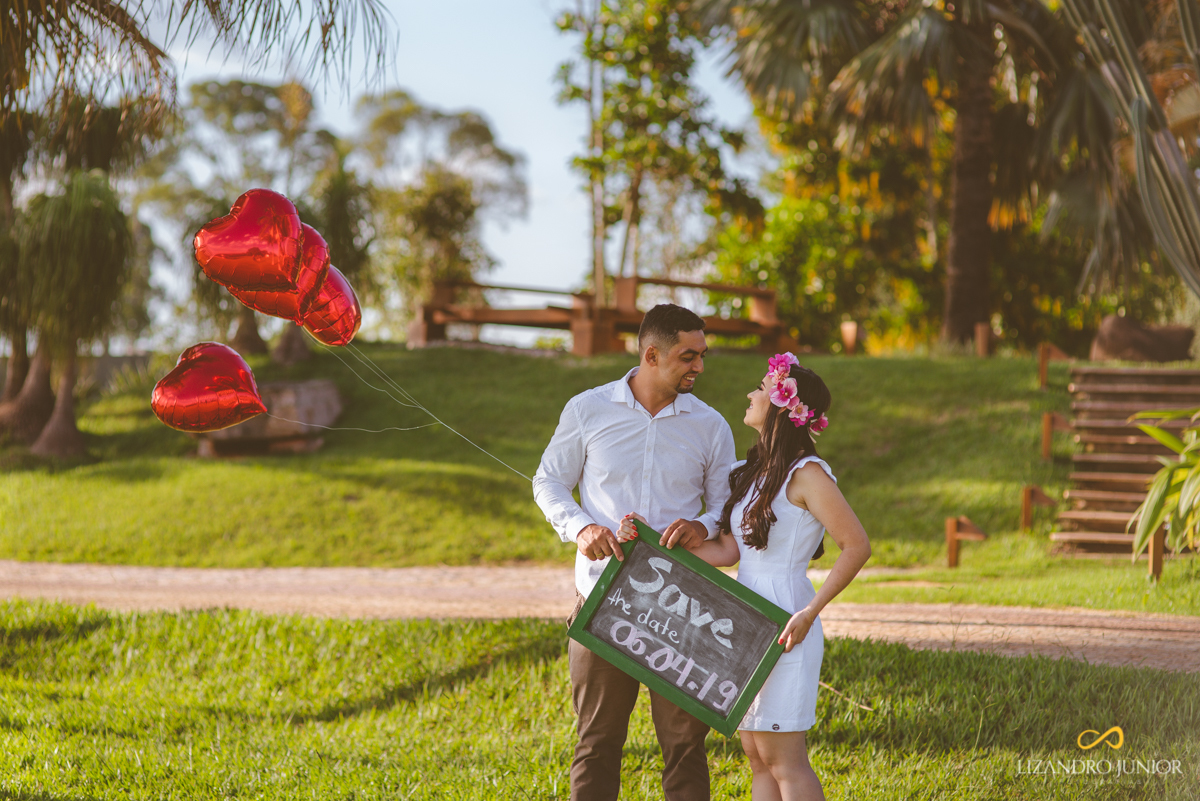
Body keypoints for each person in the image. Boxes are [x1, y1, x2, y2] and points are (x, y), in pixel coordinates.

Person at [619, 353, 871, 801]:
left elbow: (857, 545)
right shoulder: (753, 474)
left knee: (785, 759)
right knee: (756, 755)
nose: (750, 393)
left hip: (786, 617)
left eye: (760, 387)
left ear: (781, 405)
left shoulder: (807, 474)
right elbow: (731, 551)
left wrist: (811, 612)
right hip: (742, 618)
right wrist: (661, 541)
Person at [532, 303, 737, 801]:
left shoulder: (711, 425)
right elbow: (549, 482)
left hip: (683, 609)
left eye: (702, 355)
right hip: (602, 602)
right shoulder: (587, 409)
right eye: (688, 356)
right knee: (597, 743)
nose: (700, 367)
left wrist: (702, 524)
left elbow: (727, 505)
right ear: (651, 354)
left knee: (686, 747)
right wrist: (581, 528)